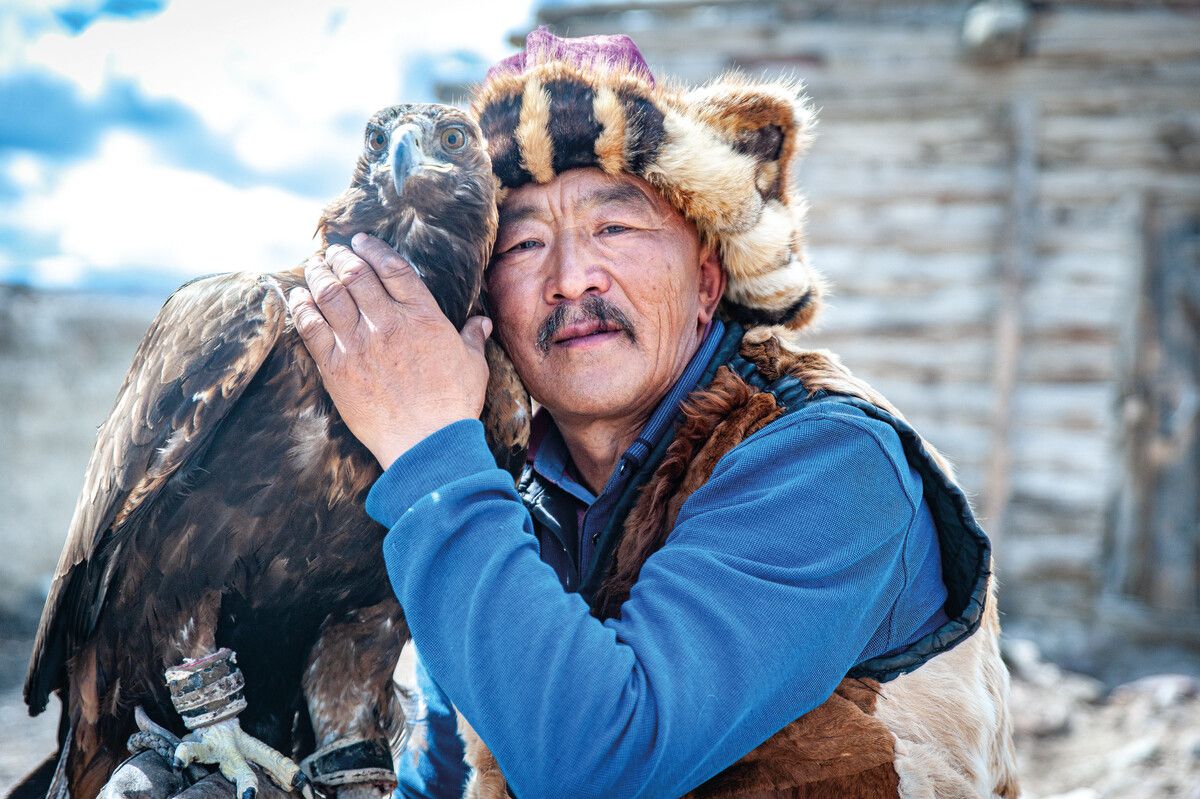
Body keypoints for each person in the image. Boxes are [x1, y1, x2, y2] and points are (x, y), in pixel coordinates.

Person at [103, 27, 1019, 799]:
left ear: (707, 280)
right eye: (527, 240)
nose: (572, 277)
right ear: (485, 295)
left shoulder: (828, 460)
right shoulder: (517, 493)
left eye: (616, 229)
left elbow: (597, 764)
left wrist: (428, 448)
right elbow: (446, 776)